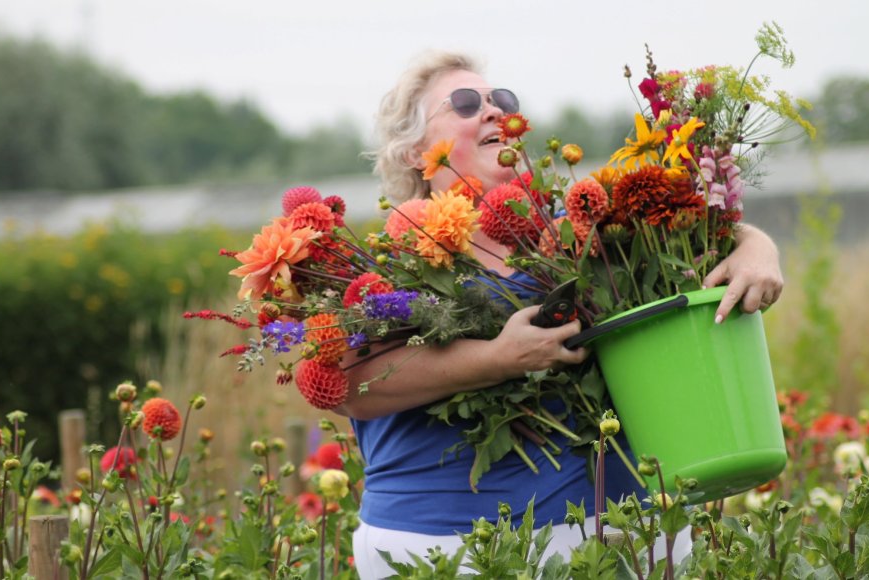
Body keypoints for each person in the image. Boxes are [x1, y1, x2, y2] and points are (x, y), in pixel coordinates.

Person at [335, 51, 784, 579]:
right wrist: (499, 359)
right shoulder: (386, 266)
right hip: (445, 544)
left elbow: (691, 234)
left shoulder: (575, 229)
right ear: (413, 152)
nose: (493, 112)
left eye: (501, 100)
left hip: (623, 526)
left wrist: (756, 245)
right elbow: (348, 386)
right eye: (463, 103)